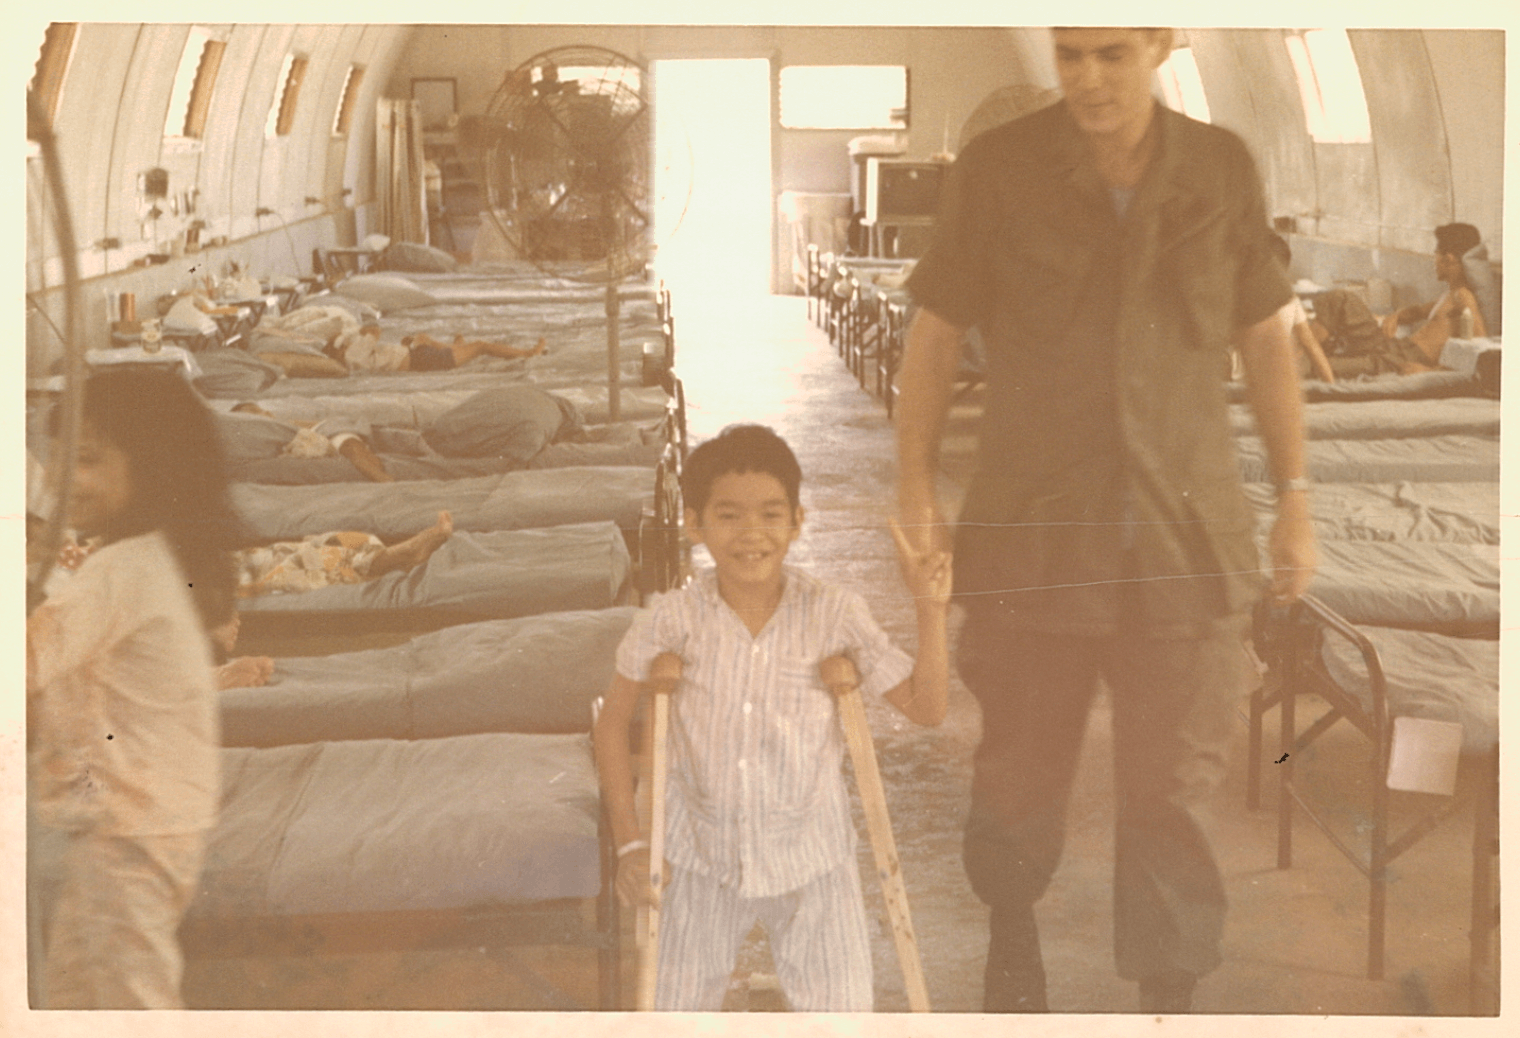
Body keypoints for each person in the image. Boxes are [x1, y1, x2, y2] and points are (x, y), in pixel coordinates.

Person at [895, 27, 1316, 1014]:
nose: (1083, 77)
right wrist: (912, 485)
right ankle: (1010, 926)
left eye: (1110, 54)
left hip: (1182, 539)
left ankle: (1167, 989)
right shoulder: (999, 171)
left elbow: (1263, 340)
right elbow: (935, 330)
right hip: (1038, 533)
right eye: (1068, 52)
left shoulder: (1218, 168)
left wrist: (1293, 499)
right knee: (1020, 759)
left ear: (1163, 43)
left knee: (1172, 780)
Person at [592, 424, 951, 1011]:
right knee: (669, 1016)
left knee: (844, 1022)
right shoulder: (673, 619)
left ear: (797, 521)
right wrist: (633, 846)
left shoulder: (833, 613)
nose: (752, 535)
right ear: (695, 524)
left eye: (770, 514)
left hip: (810, 857)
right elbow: (612, 725)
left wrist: (929, 608)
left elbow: (927, 706)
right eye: (728, 516)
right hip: (700, 855)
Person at [26, 368, 241, 1008]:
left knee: (122, 1001)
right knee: (83, 991)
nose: (64, 480)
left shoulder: (118, 571)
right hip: (145, 821)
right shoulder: (141, 558)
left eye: (86, 460)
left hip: (129, 833)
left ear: (153, 468)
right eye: (59, 459)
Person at [1309, 222, 1490, 375]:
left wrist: (1429, 372)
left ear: (1448, 259)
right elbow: (1416, 312)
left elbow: (1481, 348)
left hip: (1398, 360)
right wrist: (1395, 316)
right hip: (1392, 349)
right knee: (1341, 301)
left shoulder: (1463, 297)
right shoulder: (1448, 296)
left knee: (1340, 305)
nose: (1434, 261)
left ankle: (1303, 353)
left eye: (1436, 253)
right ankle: (1306, 351)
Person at [1267, 234, 1336, 383]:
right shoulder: (1290, 299)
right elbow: (1311, 345)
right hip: (1278, 377)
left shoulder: (1243, 297)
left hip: (1243, 379)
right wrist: (1332, 386)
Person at [337, 324, 546, 372]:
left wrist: (404, 345)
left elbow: (382, 356)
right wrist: (359, 329)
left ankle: (455, 347)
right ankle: (528, 353)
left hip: (416, 356)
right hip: (422, 360)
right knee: (481, 346)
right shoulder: (351, 353)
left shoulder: (353, 354)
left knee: (429, 340)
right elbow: (375, 330)